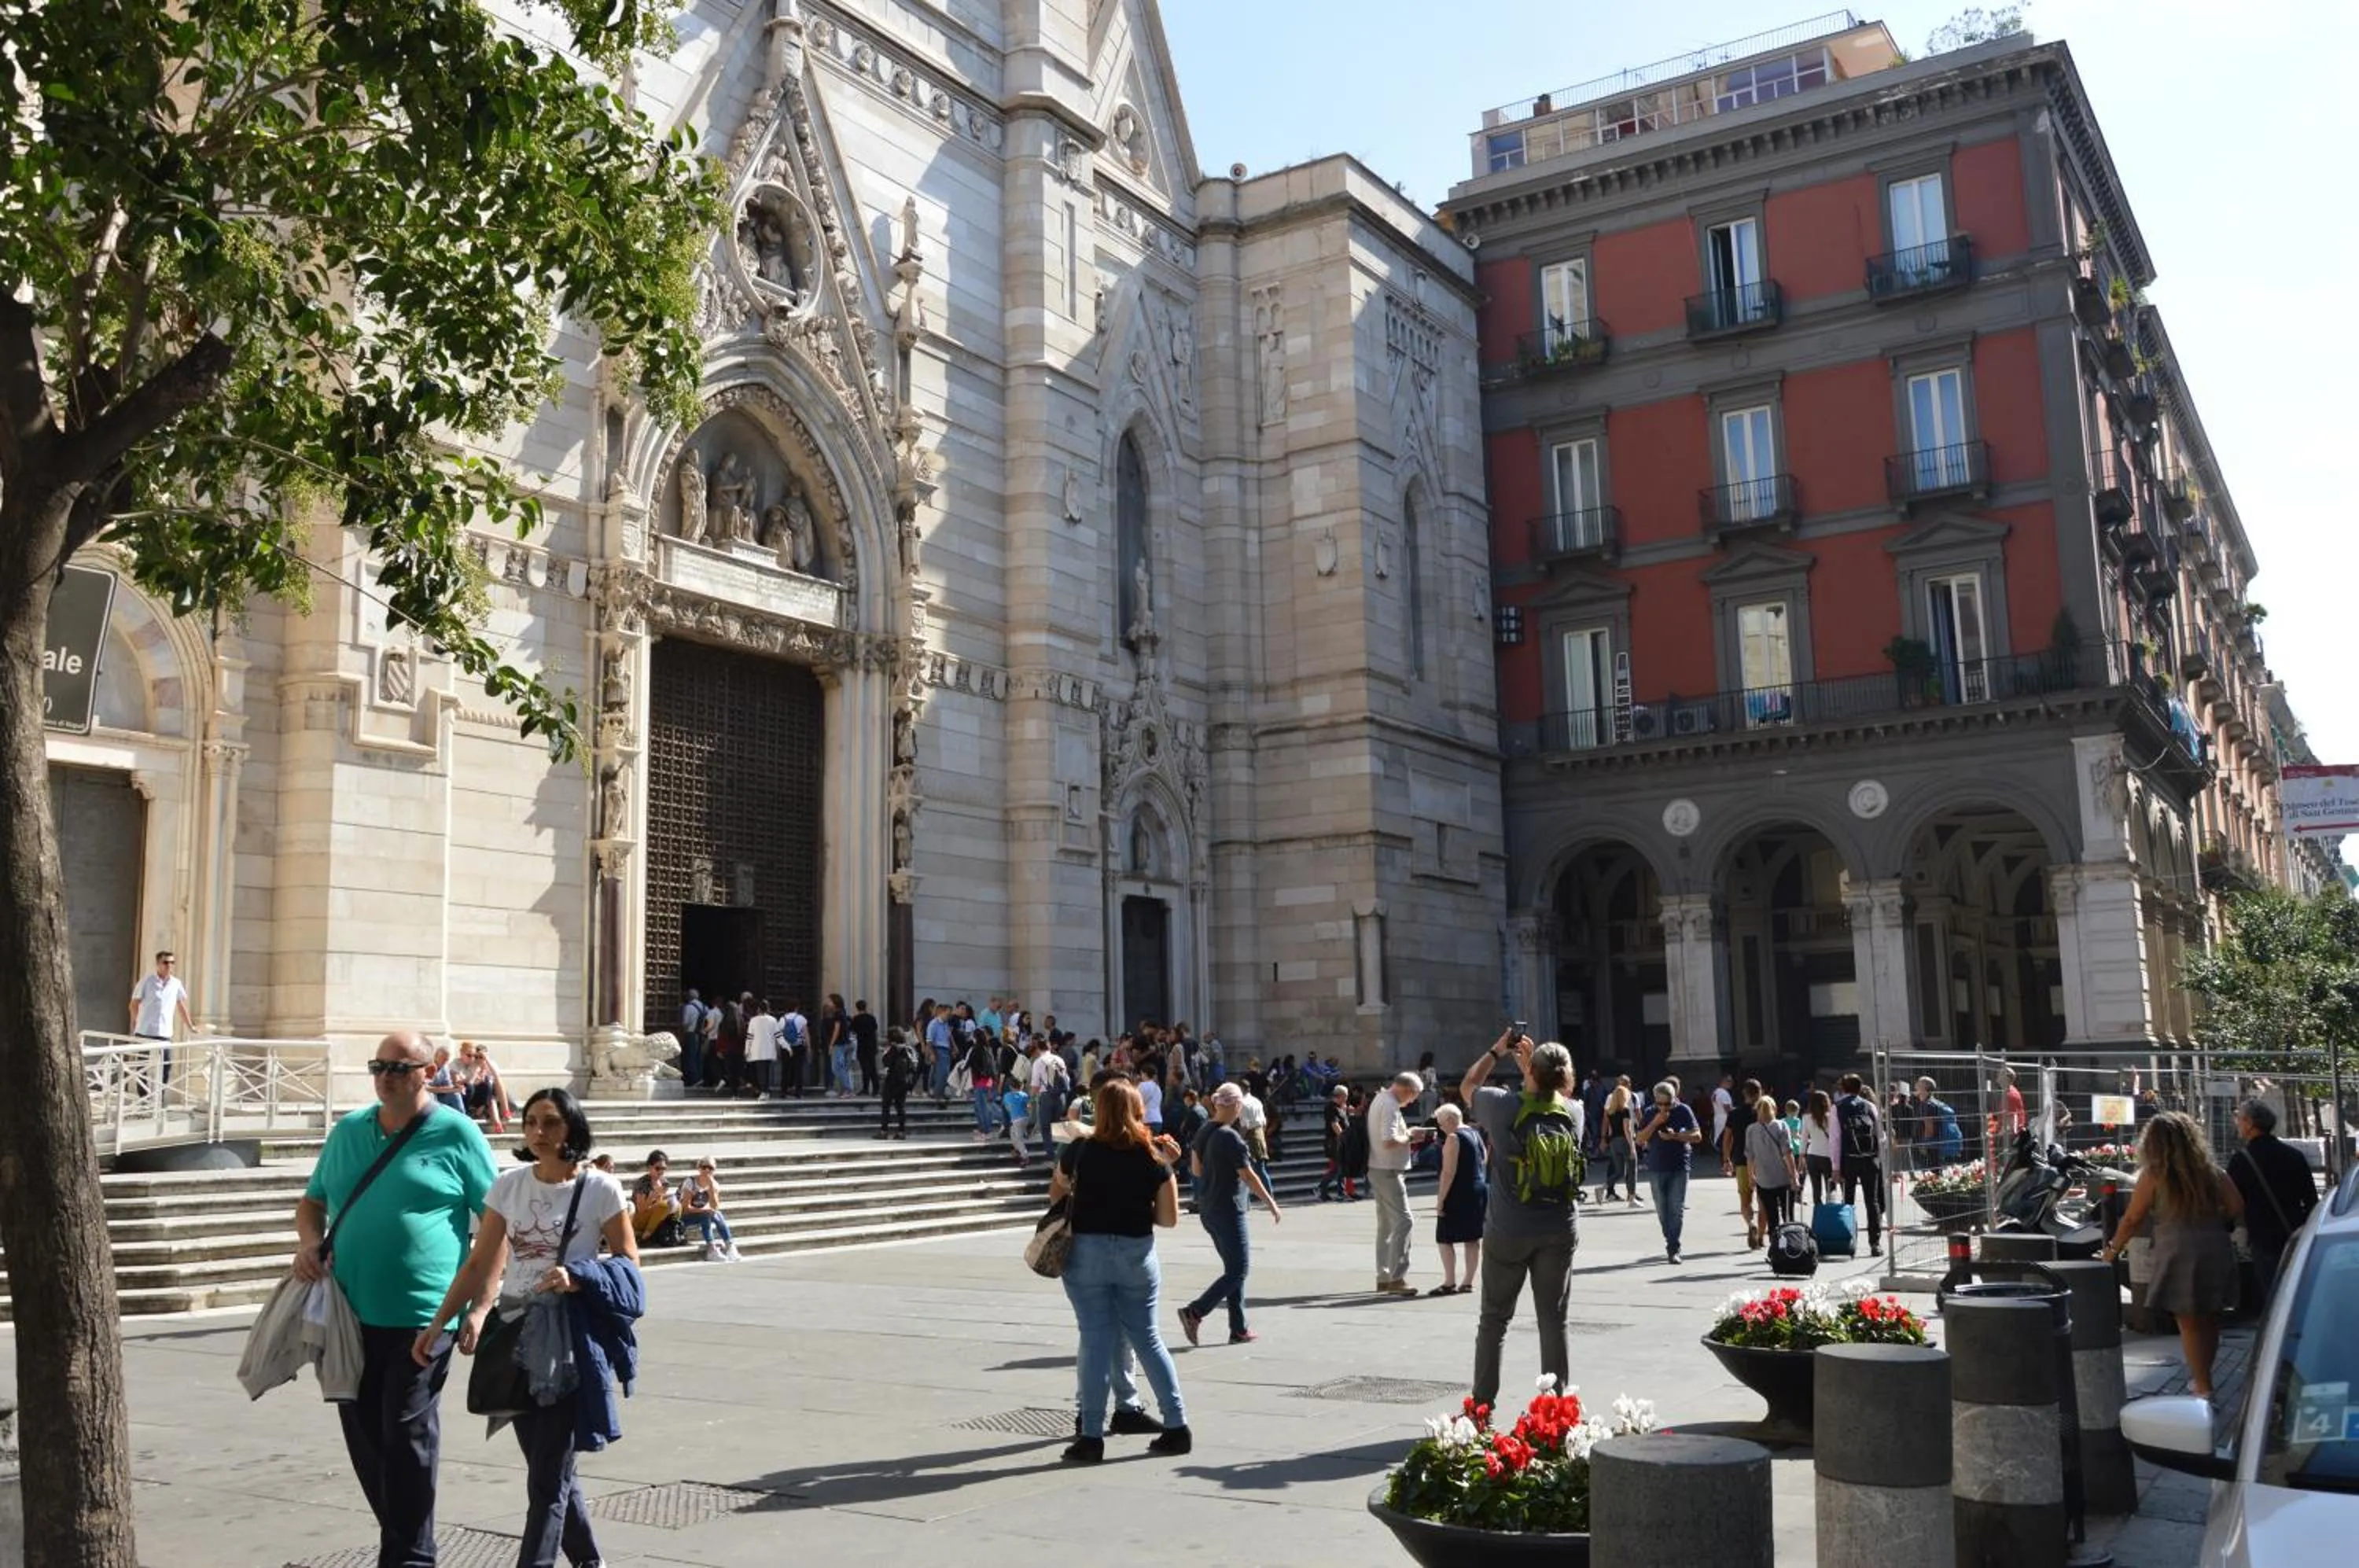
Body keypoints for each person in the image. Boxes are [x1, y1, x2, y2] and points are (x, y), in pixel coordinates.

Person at [291, 1032, 499, 1568]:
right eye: (378, 1066)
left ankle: (409, 1558)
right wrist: (310, 1244)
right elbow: (312, 1204)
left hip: (424, 1317)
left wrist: (478, 1307)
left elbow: (499, 1226)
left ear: (428, 1071)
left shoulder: (456, 1133)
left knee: (406, 1434)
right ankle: (406, 1542)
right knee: (365, 1436)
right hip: (348, 1315)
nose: (386, 1076)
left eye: (400, 1068)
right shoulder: (348, 1132)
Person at [422, 1088, 639, 1568]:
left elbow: (629, 1260)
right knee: (548, 1466)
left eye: (552, 1123)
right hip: (515, 1332)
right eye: (532, 1122)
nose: (539, 1133)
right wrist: (446, 1320)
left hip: (566, 1339)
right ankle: (587, 1559)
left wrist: (580, 1276)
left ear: (572, 1129)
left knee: (546, 1476)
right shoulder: (510, 1185)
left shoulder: (599, 1187)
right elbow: (480, 1262)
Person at [1050, 1078, 1192, 1463]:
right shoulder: (1153, 1155)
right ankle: (1177, 1426)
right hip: (1136, 1253)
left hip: (1087, 1253)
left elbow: (1055, 1194)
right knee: (1147, 1338)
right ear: (1138, 1111)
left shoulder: (1079, 1150)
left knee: (1095, 1340)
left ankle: (1092, 1436)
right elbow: (1168, 1219)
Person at [1459, 1031, 1583, 1407]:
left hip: (1508, 1229)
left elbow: (1468, 1085)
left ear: (1531, 1071)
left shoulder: (1500, 1106)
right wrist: (1535, 1071)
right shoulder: (1573, 1111)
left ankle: (1482, 1407)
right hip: (1559, 1228)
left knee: (1494, 1320)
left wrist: (1499, 1050)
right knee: (1553, 1320)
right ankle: (1556, 1408)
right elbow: (1560, 1092)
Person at [2100, 1111, 2244, 1397]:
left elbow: (2132, 1218)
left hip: (2176, 1248)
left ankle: (2202, 1385)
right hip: (2214, 1244)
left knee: (2188, 1322)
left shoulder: (2154, 1176)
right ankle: (2206, 1376)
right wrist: (2214, 1221)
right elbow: (2237, 1206)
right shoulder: (2214, 1172)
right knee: (2210, 1317)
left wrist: (2112, 1249)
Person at [1179, 1082, 1282, 1345]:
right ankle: (1195, 1311)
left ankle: (1238, 1328)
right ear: (1236, 1105)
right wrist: (1270, 1203)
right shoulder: (1230, 1137)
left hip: (1209, 1210)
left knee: (1234, 1269)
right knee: (1238, 1270)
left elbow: (1197, 1170)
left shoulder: (1205, 1131)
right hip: (1229, 1209)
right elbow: (1248, 1175)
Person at [2225, 1099, 2317, 1316]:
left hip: (2262, 1236)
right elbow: (2311, 1199)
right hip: (2294, 1233)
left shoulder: (2242, 1160)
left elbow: (2231, 1200)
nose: (2237, 1123)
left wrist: (2228, 1228)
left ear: (2250, 1124)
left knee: (2272, 1292)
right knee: (2295, 1288)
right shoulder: (2294, 1156)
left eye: (2240, 1118)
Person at [1633, 1080, 1702, 1264]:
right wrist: (1655, 1123)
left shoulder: (1683, 1110)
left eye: (1667, 1104)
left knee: (1676, 1208)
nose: (1664, 1108)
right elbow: (1639, 1140)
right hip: (1656, 1167)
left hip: (1679, 1165)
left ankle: (1673, 1247)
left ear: (1674, 1099)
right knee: (1662, 1209)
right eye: (1660, 1104)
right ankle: (1669, 1236)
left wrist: (1676, 1136)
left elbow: (1697, 1136)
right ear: (1655, 1101)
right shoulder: (1650, 1113)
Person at [1430, 1102, 1486, 1295]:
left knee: (1445, 1238)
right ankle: (1468, 1282)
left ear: (1451, 1120)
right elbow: (1484, 1159)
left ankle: (1449, 1281)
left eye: (1441, 1123)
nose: (1441, 1128)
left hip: (1458, 1191)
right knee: (1472, 1238)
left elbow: (1448, 1172)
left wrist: (1440, 1200)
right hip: (1477, 1189)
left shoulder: (1453, 1138)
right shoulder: (1474, 1133)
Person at [1829, 1073, 1886, 1257]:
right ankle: (1875, 1244)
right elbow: (1881, 1135)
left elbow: (1835, 1140)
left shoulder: (1837, 1108)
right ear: (1861, 1088)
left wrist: (1836, 1167)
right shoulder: (1870, 1106)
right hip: (1870, 1159)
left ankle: (1849, 1241)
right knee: (1873, 1202)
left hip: (1849, 1160)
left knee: (1849, 1202)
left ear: (1843, 1089)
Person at [129, 948, 197, 1083]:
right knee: (142, 1066)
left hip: (164, 1032)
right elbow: (134, 1003)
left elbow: (181, 1006)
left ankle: (160, 1097)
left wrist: (190, 1026)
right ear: (158, 964)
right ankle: (144, 1098)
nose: (169, 966)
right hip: (145, 1030)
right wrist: (135, 1021)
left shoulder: (176, 983)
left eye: (172, 963)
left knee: (166, 1066)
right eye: (165, 962)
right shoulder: (147, 981)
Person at [1745, 1095, 1801, 1239]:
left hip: (1764, 1179)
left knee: (1772, 1215)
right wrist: (1794, 1175)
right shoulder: (1781, 1126)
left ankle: (1775, 1244)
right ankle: (1790, 1243)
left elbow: (1750, 1157)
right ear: (1774, 1109)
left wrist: (1751, 1176)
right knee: (1788, 1214)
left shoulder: (1751, 1129)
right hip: (1783, 1178)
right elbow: (1787, 1154)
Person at [1721, 1075, 1765, 1248]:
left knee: (1745, 1200)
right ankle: (1761, 1237)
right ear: (1760, 1092)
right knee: (1763, 1202)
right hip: (1763, 1162)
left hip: (1741, 1160)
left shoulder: (1734, 1114)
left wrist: (1726, 1159)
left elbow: (1727, 1138)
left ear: (1744, 1094)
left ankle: (1751, 1223)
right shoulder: (1763, 1112)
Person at [681, 1158, 742, 1261]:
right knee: (706, 1215)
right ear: (699, 1168)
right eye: (704, 1167)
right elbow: (685, 1208)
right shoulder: (690, 1182)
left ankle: (730, 1245)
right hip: (685, 1217)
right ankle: (711, 1249)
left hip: (701, 1215)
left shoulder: (714, 1185)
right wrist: (704, 1211)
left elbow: (715, 1207)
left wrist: (711, 1189)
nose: (707, 1170)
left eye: (710, 1168)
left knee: (716, 1214)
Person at [628, 1151, 681, 1246]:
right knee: (663, 1206)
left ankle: (673, 1232)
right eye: (658, 1168)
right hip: (639, 1219)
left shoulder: (664, 1182)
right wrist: (654, 1196)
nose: (661, 1171)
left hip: (654, 1218)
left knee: (678, 1205)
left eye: (664, 1169)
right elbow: (641, 1209)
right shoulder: (643, 1183)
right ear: (649, 1168)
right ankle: (645, 1237)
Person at [877, 1027, 920, 1139]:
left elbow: (886, 1062)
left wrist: (886, 1052)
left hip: (892, 1081)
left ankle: (884, 1131)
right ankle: (901, 1131)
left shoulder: (893, 1049)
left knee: (886, 1105)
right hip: (904, 1082)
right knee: (901, 1107)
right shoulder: (909, 1049)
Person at [1602, 1077, 1640, 1205]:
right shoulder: (1626, 1111)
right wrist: (1632, 1147)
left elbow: (1610, 1127)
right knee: (1632, 1170)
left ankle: (1603, 1187)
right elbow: (1627, 1129)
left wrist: (1605, 1139)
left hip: (1614, 1142)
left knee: (1618, 1171)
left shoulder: (1611, 1112)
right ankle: (1632, 1198)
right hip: (1625, 1141)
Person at [1912, 1077, 1964, 1165]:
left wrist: (1924, 1145)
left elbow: (1929, 1128)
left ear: (1924, 1087)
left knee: (1931, 1173)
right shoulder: (1935, 1103)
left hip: (1931, 1146)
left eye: (1918, 1083)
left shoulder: (1927, 1105)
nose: (1915, 1086)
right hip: (1938, 1145)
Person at [1801, 1089, 1836, 1206]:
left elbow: (1804, 1139)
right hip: (1828, 1157)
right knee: (1830, 1189)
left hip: (1812, 1156)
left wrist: (1802, 1156)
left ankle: (1818, 1215)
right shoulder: (1832, 1117)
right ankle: (1830, 1214)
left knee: (1816, 1191)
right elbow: (1836, 1138)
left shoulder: (1806, 1118)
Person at [1319, 1084, 1352, 1202]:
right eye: (1346, 1096)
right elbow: (1335, 1124)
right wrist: (1343, 1138)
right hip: (1334, 1141)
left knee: (1341, 1167)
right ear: (1341, 1095)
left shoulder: (1339, 1107)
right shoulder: (1331, 1107)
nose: (1347, 1098)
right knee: (1338, 1167)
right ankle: (1321, 1188)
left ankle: (1340, 1192)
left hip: (1339, 1140)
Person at [742, 996, 779, 1100]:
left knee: (760, 1072)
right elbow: (777, 1036)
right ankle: (766, 1090)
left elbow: (749, 1037)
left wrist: (747, 1050)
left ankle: (764, 1091)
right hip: (769, 1050)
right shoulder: (773, 1020)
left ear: (758, 1009)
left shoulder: (753, 1020)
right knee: (766, 1071)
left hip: (758, 1050)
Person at [852, 998, 881, 1097]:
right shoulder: (871, 1018)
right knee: (873, 1067)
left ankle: (866, 1088)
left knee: (865, 1068)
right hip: (871, 1045)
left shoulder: (856, 1019)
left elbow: (853, 1031)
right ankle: (876, 1088)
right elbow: (875, 1031)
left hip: (862, 1045)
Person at [678, 988, 707, 1089]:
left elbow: (685, 1022)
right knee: (699, 1057)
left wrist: (681, 1034)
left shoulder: (689, 1007)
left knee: (690, 1057)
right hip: (701, 1035)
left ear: (689, 997)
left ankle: (694, 1080)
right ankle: (700, 1077)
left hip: (690, 1034)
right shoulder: (704, 1007)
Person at [425, 1046, 466, 1115]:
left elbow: (447, 1085)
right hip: (428, 1096)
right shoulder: (428, 1067)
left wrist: (456, 1088)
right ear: (436, 1056)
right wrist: (445, 1089)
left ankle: (462, 1117)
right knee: (431, 1096)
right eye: (443, 1059)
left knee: (455, 1094)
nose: (445, 1062)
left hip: (440, 1096)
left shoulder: (445, 1068)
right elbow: (426, 1088)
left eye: (447, 1059)